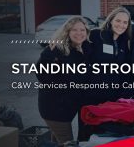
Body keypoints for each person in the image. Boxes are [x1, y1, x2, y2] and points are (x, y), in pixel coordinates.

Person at [78, 6, 132, 141]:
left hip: (111, 97)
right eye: (118, 21)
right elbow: (81, 60)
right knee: (86, 133)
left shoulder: (123, 42)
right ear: (111, 20)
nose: (121, 25)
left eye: (125, 22)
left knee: (104, 134)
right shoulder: (96, 35)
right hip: (91, 95)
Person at [36, 16, 92, 145]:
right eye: (74, 30)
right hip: (55, 108)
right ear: (67, 32)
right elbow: (43, 76)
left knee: (57, 141)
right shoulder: (56, 50)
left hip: (67, 108)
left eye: (82, 30)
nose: (79, 33)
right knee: (67, 142)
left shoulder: (81, 49)